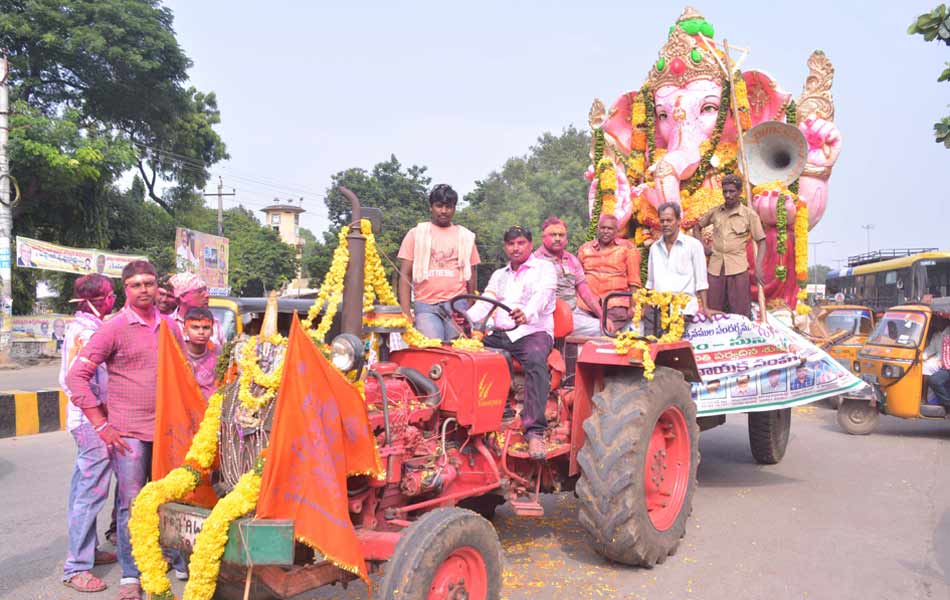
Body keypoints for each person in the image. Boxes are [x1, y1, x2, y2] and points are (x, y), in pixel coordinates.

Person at [67, 260, 166, 600]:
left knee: (164, 503)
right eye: (136, 284)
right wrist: (102, 425)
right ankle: (130, 576)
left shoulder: (170, 327)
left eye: (149, 283)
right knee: (130, 506)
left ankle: (158, 562)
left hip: (166, 434)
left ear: (157, 286)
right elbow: (75, 379)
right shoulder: (113, 328)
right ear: (126, 289)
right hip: (128, 437)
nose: (144, 290)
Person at [467, 226, 556, 460]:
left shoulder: (544, 269)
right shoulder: (500, 275)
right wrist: (465, 318)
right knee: (469, 356)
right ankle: (489, 415)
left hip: (533, 331)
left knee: (536, 361)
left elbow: (542, 297)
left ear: (530, 244)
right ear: (506, 247)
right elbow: (486, 303)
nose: (515, 248)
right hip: (502, 333)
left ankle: (535, 431)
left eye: (520, 243)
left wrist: (526, 313)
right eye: (511, 244)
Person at [60, 274, 117, 593]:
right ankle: (76, 566)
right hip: (90, 420)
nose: (113, 299)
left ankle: (87, 550)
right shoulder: (87, 332)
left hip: (85, 419)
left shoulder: (84, 326)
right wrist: (102, 417)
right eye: (110, 295)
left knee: (82, 486)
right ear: (100, 300)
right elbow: (78, 380)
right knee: (91, 490)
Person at [398, 184, 480, 342]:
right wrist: (406, 312)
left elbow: (472, 276)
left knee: (456, 352)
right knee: (432, 349)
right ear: (431, 207)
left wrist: (469, 309)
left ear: (454, 208)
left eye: (448, 207)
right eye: (439, 206)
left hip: (457, 306)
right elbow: (405, 275)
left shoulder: (466, 236)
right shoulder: (416, 234)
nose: (444, 211)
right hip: (426, 306)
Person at [695, 174, 766, 317]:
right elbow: (696, 227)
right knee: (713, 310)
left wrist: (758, 266)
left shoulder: (749, 215)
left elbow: (761, 241)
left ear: (739, 192)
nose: (728, 195)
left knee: (740, 312)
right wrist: (702, 246)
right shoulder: (715, 212)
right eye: (725, 191)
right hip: (715, 269)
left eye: (732, 191)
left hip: (738, 269)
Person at [532, 216, 603, 336]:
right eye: (553, 235)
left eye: (561, 235)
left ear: (566, 238)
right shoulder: (535, 262)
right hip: (550, 316)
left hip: (574, 311)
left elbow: (584, 291)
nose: (557, 238)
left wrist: (602, 315)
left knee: (606, 325)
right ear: (543, 238)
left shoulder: (571, 259)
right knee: (600, 330)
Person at [576, 214, 642, 332]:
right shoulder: (585, 249)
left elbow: (634, 281)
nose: (606, 231)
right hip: (586, 306)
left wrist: (634, 306)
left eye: (610, 229)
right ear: (598, 229)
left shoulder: (627, 250)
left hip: (614, 305)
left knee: (604, 332)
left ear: (616, 232)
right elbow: (577, 279)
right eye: (603, 228)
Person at [646, 202, 710, 320]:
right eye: (662, 221)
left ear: (679, 221)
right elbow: (650, 282)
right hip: (657, 308)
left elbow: (701, 281)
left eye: (669, 220)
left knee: (673, 338)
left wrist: (705, 308)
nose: (665, 224)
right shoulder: (654, 248)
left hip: (683, 309)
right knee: (647, 338)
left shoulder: (693, 245)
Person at [170, 272, 225, 350]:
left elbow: (225, 356)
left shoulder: (215, 323)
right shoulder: (168, 324)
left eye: (205, 291)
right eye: (199, 292)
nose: (207, 295)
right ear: (182, 297)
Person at [182, 307, 221, 399]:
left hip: (213, 408)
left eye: (206, 328)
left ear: (212, 332)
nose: (201, 332)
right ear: (185, 331)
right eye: (195, 327)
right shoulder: (178, 354)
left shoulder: (219, 352)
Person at [927, 328, 950, 408]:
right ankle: (947, 404)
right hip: (946, 366)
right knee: (934, 380)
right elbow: (931, 349)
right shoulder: (939, 335)